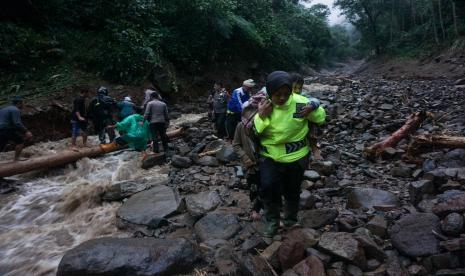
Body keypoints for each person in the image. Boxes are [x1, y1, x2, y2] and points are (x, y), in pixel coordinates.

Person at [254, 71, 326, 237]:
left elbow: (321, 118)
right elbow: (255, 130)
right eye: (277, 94)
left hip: (296, 156)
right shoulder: (263, 105)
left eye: (286, 94)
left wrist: (313, 109)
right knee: (269, 187)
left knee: (292, 190)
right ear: (269, 91)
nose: (282, 98)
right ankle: (272, 221)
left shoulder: (301, 103)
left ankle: (290, 221)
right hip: (270, 156)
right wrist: (261, 116)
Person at [233, 104, 263, 220]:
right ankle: (255, 209)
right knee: (253, 187)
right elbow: (236, 145)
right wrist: (245, 158)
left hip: (265, 162)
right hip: (250, 165)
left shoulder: (263, 126)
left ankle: (267, 207)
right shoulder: (240, 126)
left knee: (266, 185)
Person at [290, 73, 323, 160]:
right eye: (294, 88)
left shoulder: (302, 96)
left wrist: (311, 106)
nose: (297, 91)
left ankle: (314, 148)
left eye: (300, 88)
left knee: (313, 122)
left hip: (299, 121)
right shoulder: (281, 97)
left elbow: (315, 100)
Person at [0, 96, 33, 161]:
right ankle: (16, 159)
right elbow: (17, 123)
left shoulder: (4, 109)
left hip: (1, 130)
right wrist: (26, 131)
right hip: (6, 129)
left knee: (1, 147)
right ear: (19, 103)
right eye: (24, 103)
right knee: (20, 141)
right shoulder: (15, 109)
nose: (24, 104)